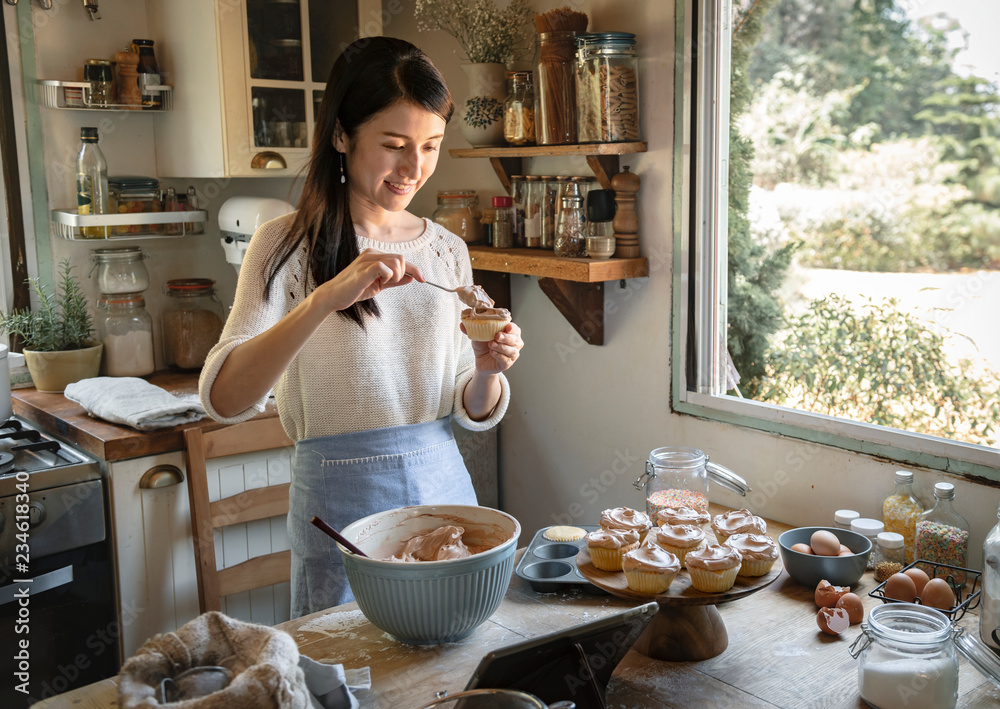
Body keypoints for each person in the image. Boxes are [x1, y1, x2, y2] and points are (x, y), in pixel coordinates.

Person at [199, 36, 524, 617]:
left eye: (430, 146)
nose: (414, 168)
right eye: (394, 145)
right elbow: (225, 399)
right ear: (342, 135)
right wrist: (325, 298)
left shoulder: (447, 251)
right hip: (338, 497)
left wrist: (487, 370)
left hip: (443, 485)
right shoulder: (283, 245)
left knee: (449, 669)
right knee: (349, 675)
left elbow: (469, 408)